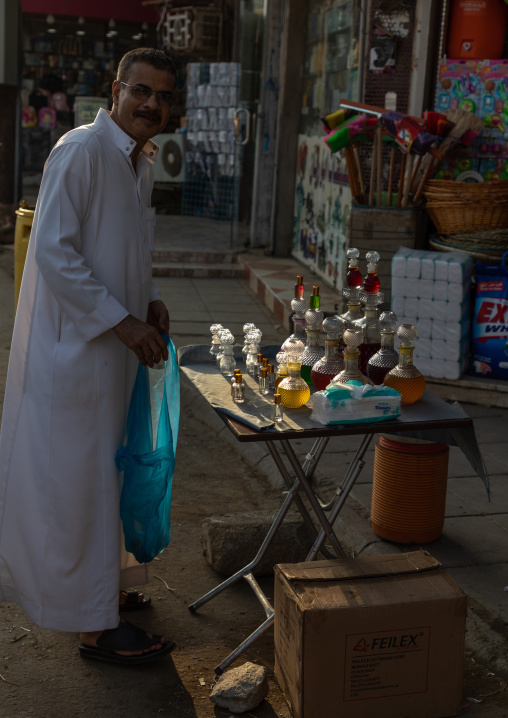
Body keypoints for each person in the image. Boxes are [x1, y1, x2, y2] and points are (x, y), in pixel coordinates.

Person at [0, 48, 178, 665]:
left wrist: (149, 301)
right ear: (116, 90)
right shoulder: (81, 150)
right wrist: (122, 322)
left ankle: (109, 596)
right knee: (80, 488)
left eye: (162, 96)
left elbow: (133, 246)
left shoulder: (138, 161)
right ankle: (92, 628)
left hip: (115, 352)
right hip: (76, 354)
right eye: (141, 91)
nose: (151, 104)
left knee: (113, 475)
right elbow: (54, 252)